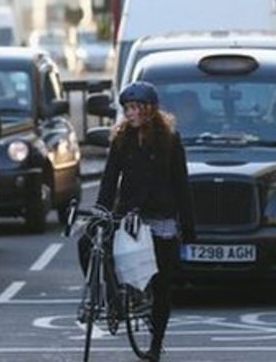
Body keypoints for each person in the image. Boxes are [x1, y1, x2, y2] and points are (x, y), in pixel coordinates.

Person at [96, 81, 195, 361]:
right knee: (96, 247)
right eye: (128, 108)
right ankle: (116, 299)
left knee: (162, 283)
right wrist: (102, 212)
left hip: (161, 215)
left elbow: (181, 184)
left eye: (136, 108)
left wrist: (188, 226)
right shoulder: (121, 139)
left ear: (151, 110)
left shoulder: (170, 140)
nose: (131, 113)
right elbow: (109, 178)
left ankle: (156, 342)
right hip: (129, 213)